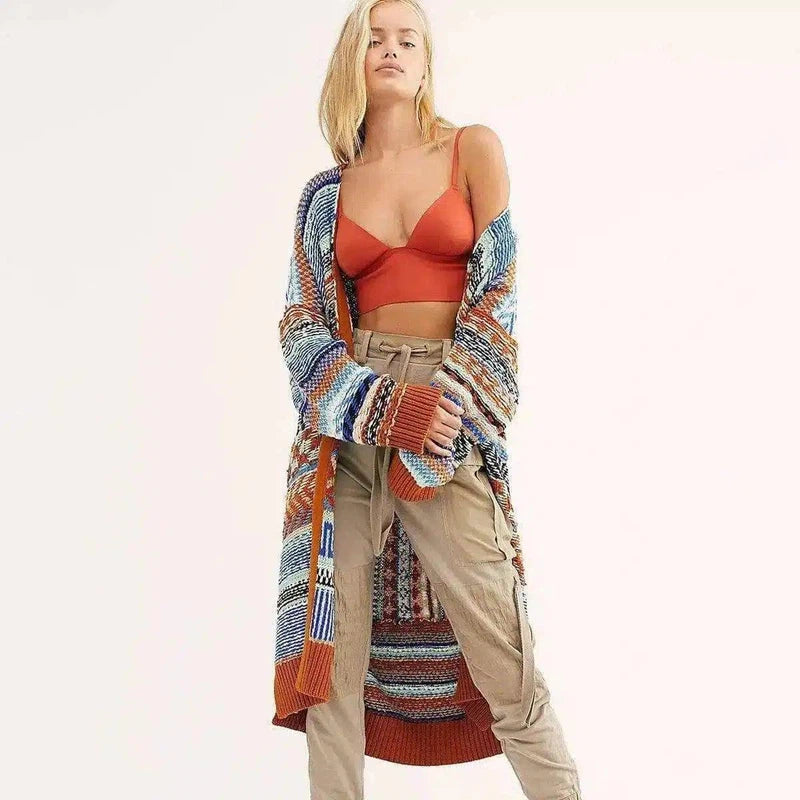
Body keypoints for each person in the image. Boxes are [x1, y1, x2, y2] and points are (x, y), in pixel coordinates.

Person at [273, 2, 583, 798]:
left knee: (507, 660)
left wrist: (445, 409)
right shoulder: (325, 196)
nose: (392, 49)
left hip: (449, 410)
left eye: (407, 38)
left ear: (426, 59)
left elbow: (498, 294)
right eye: (375, 38)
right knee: (331, 671)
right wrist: (382, 407)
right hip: (351, 427)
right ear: (352, 57)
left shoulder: (471, 148)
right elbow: (302, 328)